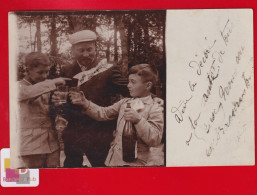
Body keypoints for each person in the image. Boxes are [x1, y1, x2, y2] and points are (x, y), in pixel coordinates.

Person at [52, 30, 128, 167]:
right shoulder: (67, 70)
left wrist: (151, 99)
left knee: (102, 171)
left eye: (89, 49)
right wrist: (58, 104)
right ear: (73, 51)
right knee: (72, 170)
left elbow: (129, 91)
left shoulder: (108, 69)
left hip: (98, 131)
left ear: (95, 48)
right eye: (81, 50)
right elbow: (62, 98)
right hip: (73, 131)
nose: (86, 54)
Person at [69, 64, 164, 166]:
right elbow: (104, 113)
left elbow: (155, 139)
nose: (128, 85)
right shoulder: (124, 102)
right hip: (114, 160)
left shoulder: (155, 107)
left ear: (148, 85)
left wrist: (138, 120)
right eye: (128, 81)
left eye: (133, 82)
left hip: (136, 164)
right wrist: (85, 103)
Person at [16, 52, 69, 168]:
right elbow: (27, 93)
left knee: (53, 182)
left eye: (47, 72)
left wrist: (55, 109)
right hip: (31, 147)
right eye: (40, 72)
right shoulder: (17, 87)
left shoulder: (45, 85)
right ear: (27, 70)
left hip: (52, 146)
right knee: (30, 181)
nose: (44, 76)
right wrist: (53, 82)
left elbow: (44, 112)